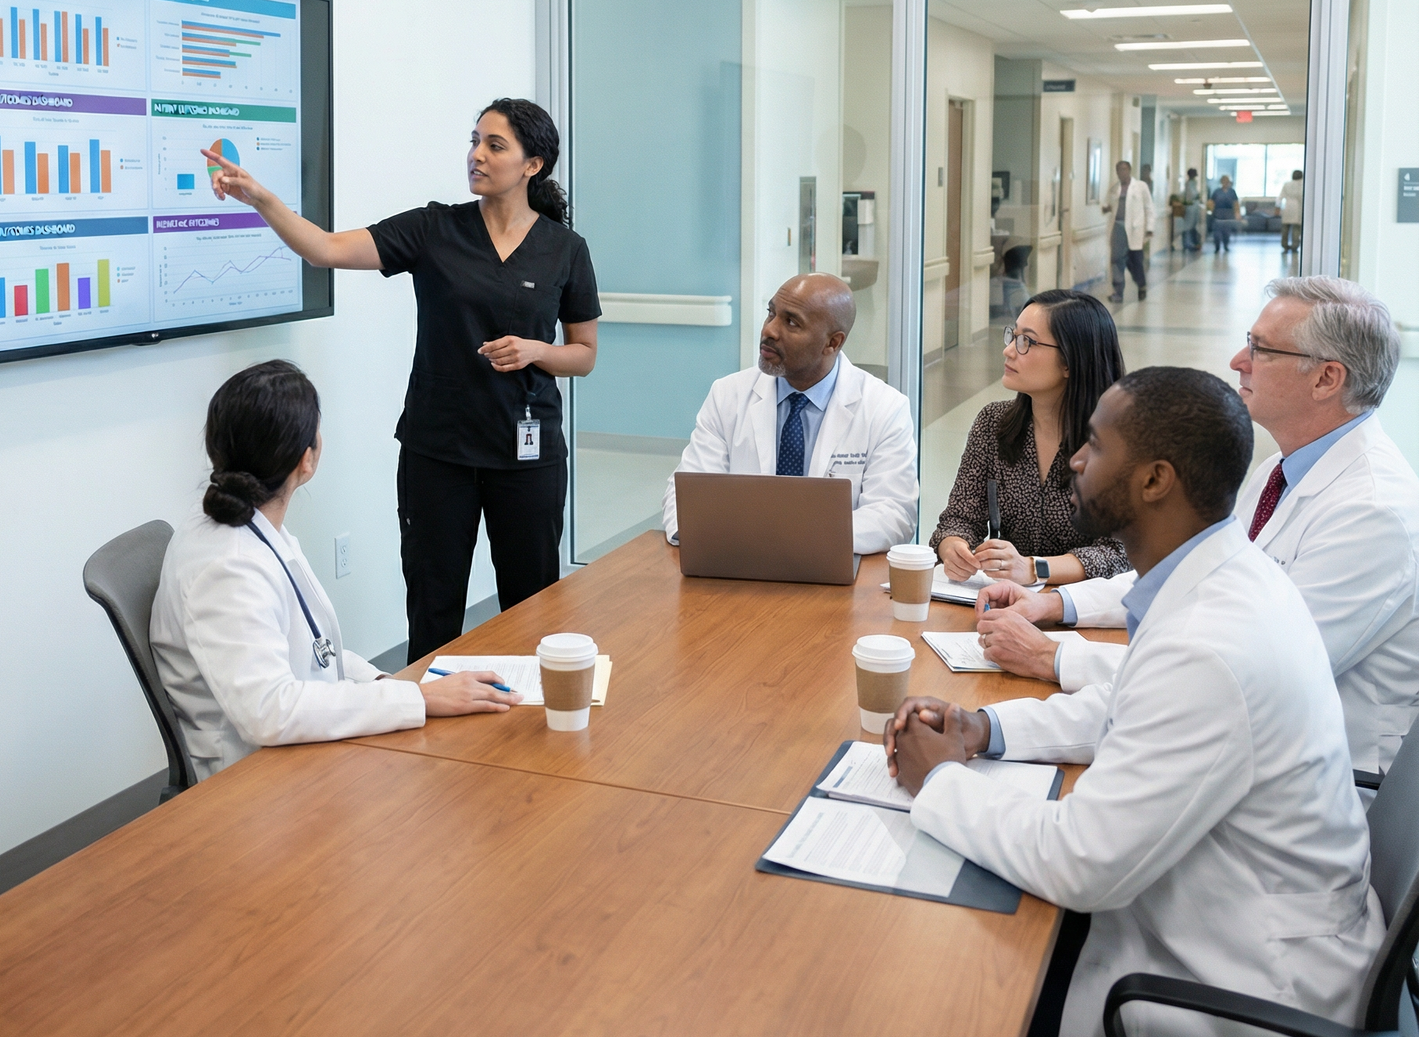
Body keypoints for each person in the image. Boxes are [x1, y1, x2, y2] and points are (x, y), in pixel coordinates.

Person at [890, 367, 1383, 1037]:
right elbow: (1130, 707)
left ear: (1155, 480)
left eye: (1094, 444)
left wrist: (940, 780)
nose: (1077, 461)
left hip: (1232, 1018)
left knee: (938, 1030)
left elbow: (1079, 862)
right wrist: (987, 729)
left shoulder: (1212, 644)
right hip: (1212, 932)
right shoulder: (1218, 579)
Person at [202, 99, 600, 662]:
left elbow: (583, 354)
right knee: (434, 607)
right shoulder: (434, 228)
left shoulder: (565, 249)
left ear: (533, 165)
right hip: (437, 450)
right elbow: (325, 249)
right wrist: (262, 199)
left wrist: (538, 350)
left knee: (531, 604)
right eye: (474, 140)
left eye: (494, 145)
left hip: (525, 455)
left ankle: (528, 729)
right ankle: (428, 727)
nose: (476, 155)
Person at [975, 278, 1419, 775]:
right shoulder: (1282, 472)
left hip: (1302, 771)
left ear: (1326, 379)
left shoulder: (1373, 514)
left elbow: (1235, 677)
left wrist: (1053, 658)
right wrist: (1053, 603)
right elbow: (1183, 574)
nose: (1237, 360)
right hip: (1231, 744)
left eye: (1260, 349)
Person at [151, 361, 521, 779]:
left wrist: (397, 688)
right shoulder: (227, 566)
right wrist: (417, 701)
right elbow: (270, 713)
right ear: (306, 460)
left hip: (294, 749)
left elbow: (315, 648)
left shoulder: (250, 529)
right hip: (253, 782)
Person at [661, 274, 916, 554]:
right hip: (739, 563)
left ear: (832, 343)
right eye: (771, 313)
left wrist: (790, 538)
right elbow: (686, 494)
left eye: (791, 322)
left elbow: (894, 514)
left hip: (830, 570)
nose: (770, 330)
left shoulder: (885, 408)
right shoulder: (728, 395)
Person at [930, 290, 1127, 587]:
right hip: (1004, 603)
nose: (1009, 350)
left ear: (1070, 363)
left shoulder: (1118, 440)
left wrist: (1035, 568)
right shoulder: (993, 424)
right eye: (1013, 336)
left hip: (1085, 609)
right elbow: (958, 519)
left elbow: (1120, 552)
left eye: (1027, 342)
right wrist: (954, 549)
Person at [1100, 159, 1152, 302]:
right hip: (1117, 227)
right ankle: (1118, 293)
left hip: (1135, 229)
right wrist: (1105, 208)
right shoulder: (1114, 187)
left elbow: (1149, 207)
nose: (1121, 172)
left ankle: (1141, 284)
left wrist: (1149, 228)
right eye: (1119, 170)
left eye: (1124, 169)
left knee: (1135, 262)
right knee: (1116, 260)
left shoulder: (1141, 187)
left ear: (1129, 170)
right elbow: (1106, 203)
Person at [1208, 172, 1239, 253]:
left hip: (1228, 214)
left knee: (1227, 232)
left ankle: (1226, 245)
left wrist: (1237, 213)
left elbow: (1235, 203)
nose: (1225, 183)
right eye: (1224, 181)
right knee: (1217, 232)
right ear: (1221, 182)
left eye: (1227, 181)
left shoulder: (1232, 192)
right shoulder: (1217, 192)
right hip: (1218, 214)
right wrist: (1210, 211)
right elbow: (1212, 202)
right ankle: (1217, 247)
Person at [1279, 168, 1304, 252]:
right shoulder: (1302, 184)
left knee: (1285, 228)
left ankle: (1284, 244)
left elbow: (1280, 197)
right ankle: (1295, 245)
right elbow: (1302, 197)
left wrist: (1277, 207)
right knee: (1296, 228)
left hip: (1287, 206)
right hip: (1297, 206)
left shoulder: (1287, 184)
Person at [1180, 166, 1204, 252]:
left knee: (1192, 226)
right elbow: (1192, 195)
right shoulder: (1189, 183)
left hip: (1194, 206)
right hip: (1191, 207)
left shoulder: (1193, 183)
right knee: (1187, 226)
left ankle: (1193, 243)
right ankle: (1187, 244)